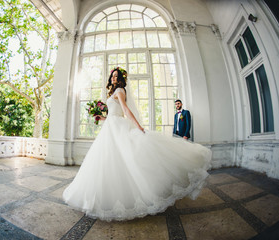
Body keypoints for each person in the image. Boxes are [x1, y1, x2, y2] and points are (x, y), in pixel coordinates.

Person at [63, 67, 211, 221]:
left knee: (125, 159)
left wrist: (138, 126)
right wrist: (102, 118)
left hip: (118, 128)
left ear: (120, 78)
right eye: (112, 76)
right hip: (110, 128)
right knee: (108, 161)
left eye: (116, 76)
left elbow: (125, 110)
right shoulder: (113, 92)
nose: (113, 78)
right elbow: (115, 113)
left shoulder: (120, 90)